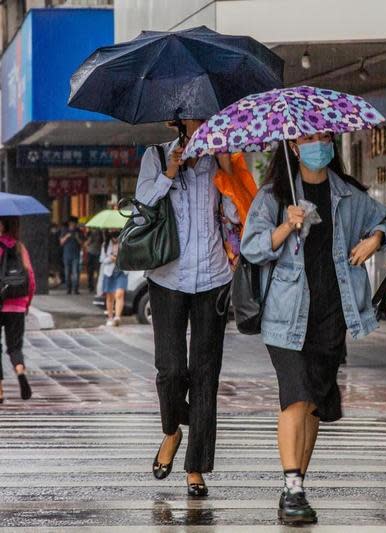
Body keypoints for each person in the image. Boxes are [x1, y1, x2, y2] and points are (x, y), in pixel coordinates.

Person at [241, 132, 386, 524]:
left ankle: (297, 486)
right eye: (308, 138)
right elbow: (252, 247)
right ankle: (292, 488)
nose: (318, 144)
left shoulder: (346, 194)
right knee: (296, 396)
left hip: (331, 315)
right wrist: (285, 226)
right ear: (293, 147)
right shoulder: (275, 195)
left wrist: (374, 240)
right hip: (286, 315)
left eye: (324, 137)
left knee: (312, 406)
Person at [136, 119, 239, 498]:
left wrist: (228, 171)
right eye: (194, 118)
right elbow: (144, 203)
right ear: (177, 122)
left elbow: (238, 214)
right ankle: (171, 432)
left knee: (205, 374)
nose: (200, 126)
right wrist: (170, 172)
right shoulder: (156, 155)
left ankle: (196, 466)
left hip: (213, 276)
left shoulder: (222, 160)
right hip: (167, 276)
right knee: (171, 369)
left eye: (206, 118)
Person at [0, 217, 35, 403]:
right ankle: (20, 370)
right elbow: (30, 278)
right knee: (15, 346)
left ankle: (0, 392)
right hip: (17, 305)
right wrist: (26, 303)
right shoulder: (20, 247)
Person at [100, 231, 127, 327]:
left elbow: (128, 258)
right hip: (109, 273)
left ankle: (117, 317)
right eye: (113, 238)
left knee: (120, 294)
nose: (115, 240)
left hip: (121, 272)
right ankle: (110, 317)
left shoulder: (124, 243)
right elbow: (102, 260)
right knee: (110, 296)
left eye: (117, 237)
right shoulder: (105, 244)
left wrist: (119, 255)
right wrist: (111, 258)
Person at [59, 216, 83, 295]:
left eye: (74, 223)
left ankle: (75, 289)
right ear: (69, 223)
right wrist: (66, 236)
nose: (73, 225)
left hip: (76, 255)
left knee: (75, 272)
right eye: (72, 223)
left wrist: (77, 238)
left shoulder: (78, 231)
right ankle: (68, 289)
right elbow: (61, 242)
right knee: (67, 272)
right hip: (67, 255)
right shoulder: (64, 231)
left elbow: (82, 243)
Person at [85, 229, 103, 293]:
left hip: (98, 253)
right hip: (91, 253)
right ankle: (90, 286)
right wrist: (90, 238)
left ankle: (97, 286)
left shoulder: (101, 233)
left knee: (98, 271)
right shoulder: (89, 233)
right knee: (90, 271)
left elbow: (102, 243)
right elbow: (86, 243)